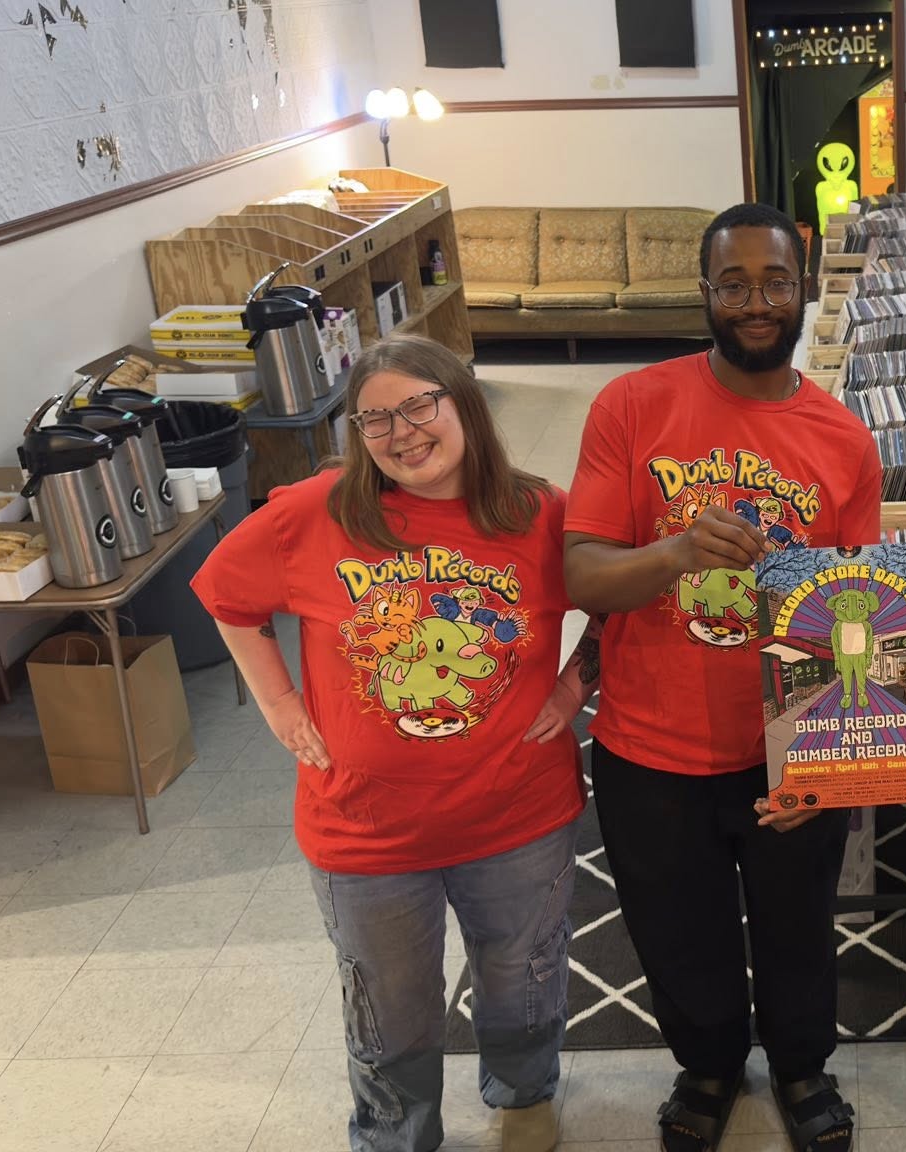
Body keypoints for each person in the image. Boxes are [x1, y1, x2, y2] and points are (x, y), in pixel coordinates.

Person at [192, 334, 595, 1152]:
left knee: (524, 977)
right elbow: (226, 595)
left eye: (420, 405)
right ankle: (395, 1132)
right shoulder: (313, 513)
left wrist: (573, 683)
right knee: (388, 1005)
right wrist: (278, 702)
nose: (402, 432)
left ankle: (524, 1097)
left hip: (518, 815)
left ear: (463, 405)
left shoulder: (540, 512)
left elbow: (620, 598)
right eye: (375, 419)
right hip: (365, 830)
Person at [561, 202, 883, 1152]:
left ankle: (802, 1067)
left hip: (785, 743)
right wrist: (675, 553)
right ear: (704, 294)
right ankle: (706, 1066)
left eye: (775, 281)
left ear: (803, 288)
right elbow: (583, 576)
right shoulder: (631, 406)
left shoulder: (845, 441)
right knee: (677, 929)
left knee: (798, 925)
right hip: (647, 745)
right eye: (733, 284)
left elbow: (858, 613)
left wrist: (827, 761)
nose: (756, 302)